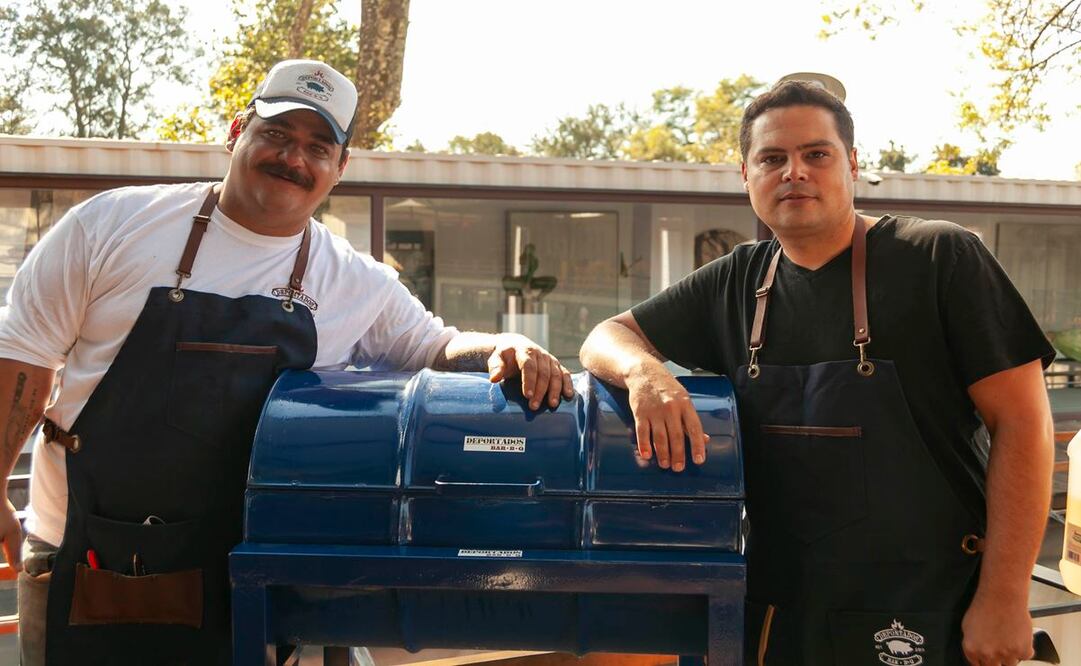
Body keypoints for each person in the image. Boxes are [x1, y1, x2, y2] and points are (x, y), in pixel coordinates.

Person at [0, 59, 574, 666]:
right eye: (276, 134)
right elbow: (24, 361)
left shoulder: (355, 281)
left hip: (257, 576)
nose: (293, 158)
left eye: (317, 146)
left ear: (340, 167)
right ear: (236, 129)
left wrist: (507, 344)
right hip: (89, 563)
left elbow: (435, 346)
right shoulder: (111, 225)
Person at [579, 80, 1055, 666]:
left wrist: (1005, 597)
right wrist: (645, 375)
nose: (794, 172)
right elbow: (606, 337)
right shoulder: (734, 281)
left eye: (816, 155)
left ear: (852, 164)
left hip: (926, 611)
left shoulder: (938, 258)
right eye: (772, 158)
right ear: (746, 174)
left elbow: (1024, 425)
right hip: (780, 616)